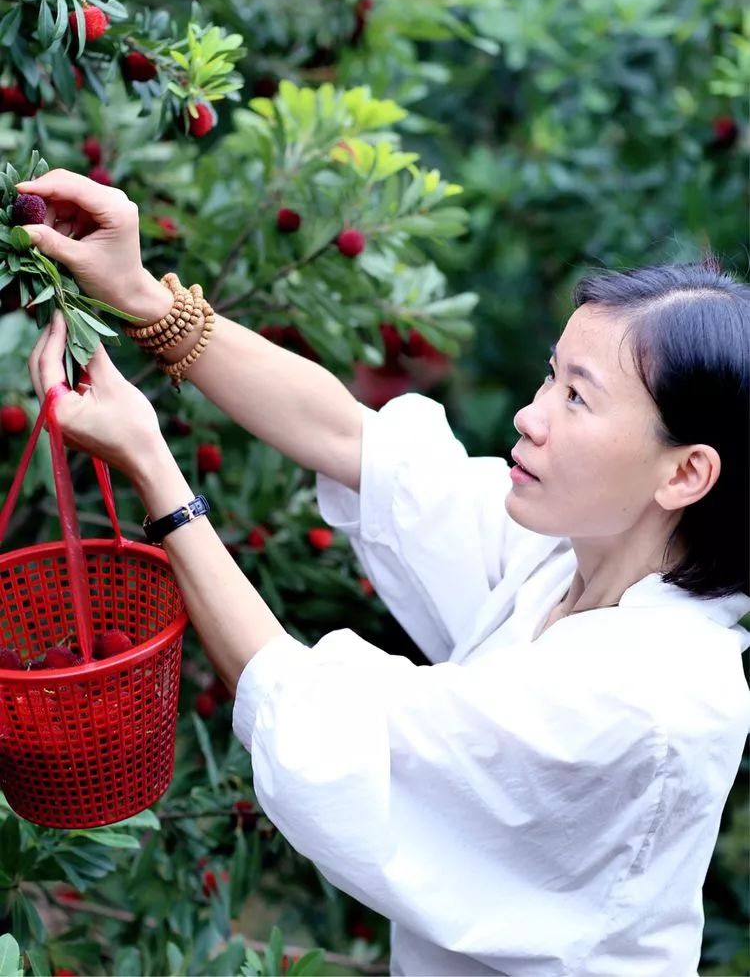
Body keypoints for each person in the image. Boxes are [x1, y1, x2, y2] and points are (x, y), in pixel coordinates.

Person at [18, 169, 750, 977]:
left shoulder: (649, 698)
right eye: (550, 374)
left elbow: (319, 725)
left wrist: (153, 468)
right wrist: (143, 300)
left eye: (577, 399)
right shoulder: (566, 560)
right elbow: (356, 444)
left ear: (685, 475)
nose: (529, 416)